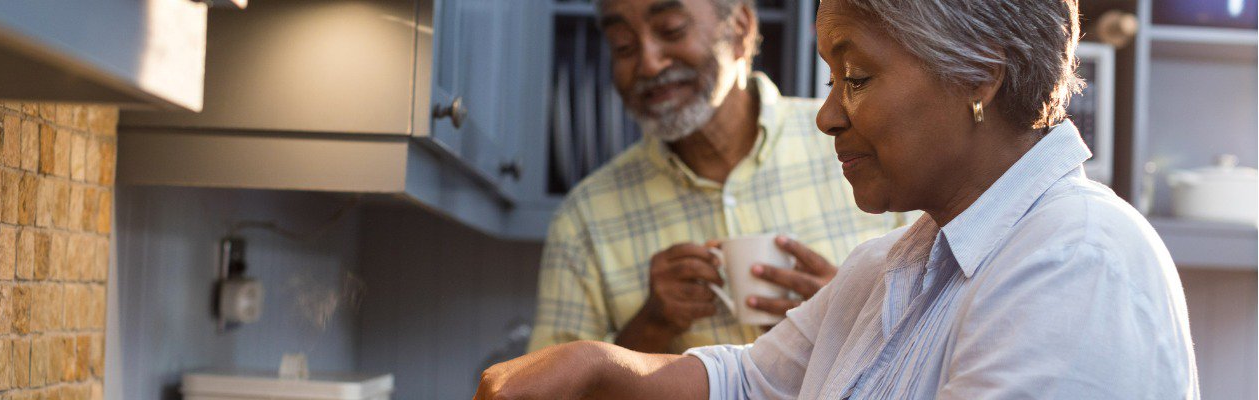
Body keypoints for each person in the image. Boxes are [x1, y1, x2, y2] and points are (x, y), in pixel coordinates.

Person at [480, 0, 1200, 397]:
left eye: (854, 76)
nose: (827, 113)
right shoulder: (888, 265)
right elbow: (750, 382)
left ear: (980, 75)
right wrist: (603, 364)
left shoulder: (1078, 258)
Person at [528, 0, 905, 355]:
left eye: (672, 31)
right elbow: (548, 388)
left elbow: (945, 333)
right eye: (623, 46)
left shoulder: (864, 150)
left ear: (740, 29)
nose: (648, 64)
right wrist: (649, 328)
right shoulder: (583, 220)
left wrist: (851, 312)